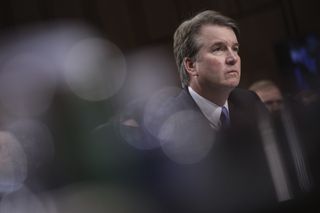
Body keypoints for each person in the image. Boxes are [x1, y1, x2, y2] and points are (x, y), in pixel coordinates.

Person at [141, 10, 295, 213]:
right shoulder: (168, 120)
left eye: (235, 48)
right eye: (218, 49)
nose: (233, 58)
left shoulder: (249, 101)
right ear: (190, 65)